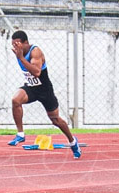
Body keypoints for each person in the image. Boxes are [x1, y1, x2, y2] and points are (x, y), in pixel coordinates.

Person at [6, 30, 81, 159]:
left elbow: (36, 72)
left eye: (17, 44)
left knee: (56, 120)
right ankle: (20, 134)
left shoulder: (35, 52)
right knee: (15, 100)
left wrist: (21, 58)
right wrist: (20, 56)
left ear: (25, 43)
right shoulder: (19, 52)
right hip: (31, 88)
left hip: (45, 90)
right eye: (13, 45)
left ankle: (73, 142)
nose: (15, 48)